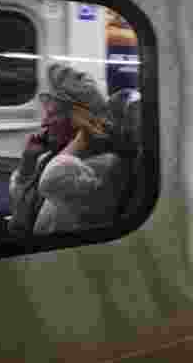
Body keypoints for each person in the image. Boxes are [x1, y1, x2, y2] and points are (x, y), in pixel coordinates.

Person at [8, 63, 126, 236]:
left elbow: (50, 181)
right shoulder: (49, 158)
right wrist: (27, 165)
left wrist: (85, 133)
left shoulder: (103, 166)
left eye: (53, 114)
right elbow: (20, 207)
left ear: (79, 120)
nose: (44, 123)